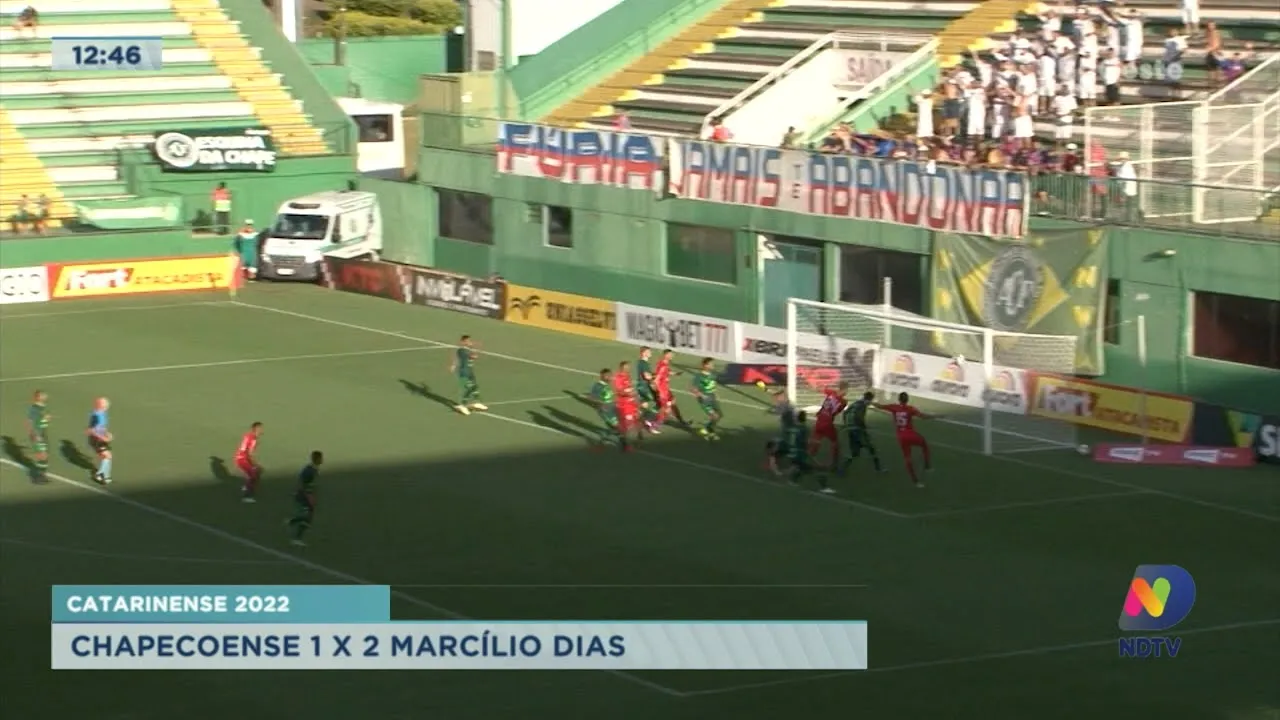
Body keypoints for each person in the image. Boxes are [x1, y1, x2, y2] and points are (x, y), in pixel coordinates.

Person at [877, 392, 935, 487]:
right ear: (907, 400)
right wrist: (935, 416)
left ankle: (916, 482)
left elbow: (880, 406)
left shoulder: (894, 407)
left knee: (907, 457)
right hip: (910, 433)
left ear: (899, 399)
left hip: (900, 436)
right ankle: (927, 465)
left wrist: (869, 402)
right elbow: (923, 417)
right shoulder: (910, 409)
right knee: (924, 444)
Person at [786, 411, 834, 494]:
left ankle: (792, 481)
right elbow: (804, 442)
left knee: (802, 469)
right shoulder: (803, 428)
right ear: (804, 418)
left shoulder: (794, 427)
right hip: (800, 454)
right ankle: (824, 488)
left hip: (792, 453)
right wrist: (814, 443)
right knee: (818, 468)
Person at [841, 391, 883, 475]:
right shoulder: (862, 406)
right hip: (857, 430)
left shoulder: (855, 403)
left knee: (854, 452)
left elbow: (845, 413)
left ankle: (842, 470)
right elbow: (858, 417)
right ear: (869, 399)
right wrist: (864, 427)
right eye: (871, 400)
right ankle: (878, 469)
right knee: (871, 448)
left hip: (850, 429)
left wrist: (846, 424)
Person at [287, 451, 323, 546]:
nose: (322, 460)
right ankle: (296, 537)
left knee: (308, 518)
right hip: (303, 496)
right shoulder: (309, 471)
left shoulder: (312, 469)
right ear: (317, 459)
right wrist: (310, 497)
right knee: (306, 518)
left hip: (305, 495)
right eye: (320, 458)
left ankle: (293, 522)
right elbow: (303, 485)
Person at [811, 381, 849, 468]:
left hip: (820, 419)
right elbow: (836, 412)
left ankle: (810, 458)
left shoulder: (831, 392)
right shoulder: (844, 401)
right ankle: (834, 464)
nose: (847, 392)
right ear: (845, 389)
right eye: (847, 390)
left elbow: (820, 389)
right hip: (827, 423)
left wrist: (815, 387)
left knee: (817, 440)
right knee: (835, 442)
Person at [450, 335, 487, 415]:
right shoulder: (462, 350)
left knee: (475, 386)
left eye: (470, 341)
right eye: (467, 341)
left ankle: (476, 402)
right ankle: (462, 405)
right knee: (469, 388)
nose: (469, 342)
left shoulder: (467, 350)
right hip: (464, 372)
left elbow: (471, 357)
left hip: (470, 371)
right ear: (463, 342)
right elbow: (473, 356)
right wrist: (476, 349)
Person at [589, 369, 624, 449]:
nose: (611, 377)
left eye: (611, 375)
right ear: (603, 376)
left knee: (615, 428)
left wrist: (621, 394)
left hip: (612, 408)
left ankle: (601, 443)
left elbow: (609, 395)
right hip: (605, 410)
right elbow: (591, 398)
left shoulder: (606, 385)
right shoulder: (597, 386)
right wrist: (601, 404)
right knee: (617, 427)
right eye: (609, 376)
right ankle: (624, 444)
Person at [765, 390, 796, 476]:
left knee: (779, 450)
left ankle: (776, 466)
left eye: (779, 397)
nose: (777, 399)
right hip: (788, 433)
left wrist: (770, 410)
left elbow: (778, 412)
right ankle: (775, 466)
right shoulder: (787, 404)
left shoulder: (785, 406)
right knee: (782, 450)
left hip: (789, 433)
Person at [691, 357, 722, 440]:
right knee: (714, 416)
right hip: (705, 400)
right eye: (711, 364)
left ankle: (708, 429)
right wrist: (701, 395)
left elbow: (713, 385)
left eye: (713, 364)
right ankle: (709, 432)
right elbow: (693, 389)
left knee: (720, 415)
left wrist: (716, 394)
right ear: (705, 365)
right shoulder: (699, 376)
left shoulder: (713, 375)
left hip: (712, 397)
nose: (713, 366)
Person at [653, 349, 685, 428]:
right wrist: (658, 390)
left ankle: (681, 420)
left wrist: (676, 373)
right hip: (663, 390)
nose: (672, 356)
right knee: (666, 409)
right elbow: (657, 378)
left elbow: (667, 372)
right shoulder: (663, 365)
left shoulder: (664, 363)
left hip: (666, 389)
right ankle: (655, 424)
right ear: (666, 355)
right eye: (670, 354)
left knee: (673, 402)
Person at [613, 360, 641, 450]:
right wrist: (629, 394)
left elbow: (629, 388)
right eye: (626, 367)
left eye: (629, 367)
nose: (628, 368)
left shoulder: (627, 376)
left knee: (637, 418)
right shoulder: (618, 377)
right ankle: (624, 443)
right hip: (624, 404)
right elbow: (619, 391)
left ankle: (639, 436)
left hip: (631, 402)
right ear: (621, 367)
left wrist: (634, 396)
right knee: (627, 424)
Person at [235, 422, 264, 502]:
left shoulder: (248, 435)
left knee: (256, 473)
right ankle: (247, 496)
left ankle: (247, 486)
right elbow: (249, 454)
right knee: (253, 475)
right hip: (242, 459)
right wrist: (255, 464)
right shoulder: (253, 439)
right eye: (260, 428)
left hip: (240, 458)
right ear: (256, 429)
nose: (262, 430)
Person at [25, 390, 50, 483]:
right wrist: (34, 434)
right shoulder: (34, 409)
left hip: (42, 434)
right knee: (42, 455)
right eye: (43, 395)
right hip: (38, 435)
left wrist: (45, 420)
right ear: (38, 397)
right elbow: (29, 422)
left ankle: (42, 475)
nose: (46, 396)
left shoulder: (41, 407)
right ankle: (38, 477)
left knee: (45, 455)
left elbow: (41, 421)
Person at [86, 397, 113, 485]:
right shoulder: (96, 416)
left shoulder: (102, 414)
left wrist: (106, 433)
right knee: (107, 456)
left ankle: (106, 476)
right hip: (96, 440)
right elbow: (90, 431)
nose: (107, 405)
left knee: (107, 456)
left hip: (100, 438)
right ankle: (99, 475)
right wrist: (102, 437)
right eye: (105, 404)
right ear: (100, 405)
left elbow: (101, 427)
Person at [634, 347, 659, 434]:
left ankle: (636, 419)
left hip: (641, 386)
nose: (650, 353)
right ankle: (648, 421)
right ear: (644, 353)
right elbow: (646, 376)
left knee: (644, 405)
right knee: (659, 402)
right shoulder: (644, 363)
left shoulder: (641, 362)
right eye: (649, 351)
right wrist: (655, 376)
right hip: (644, 387)